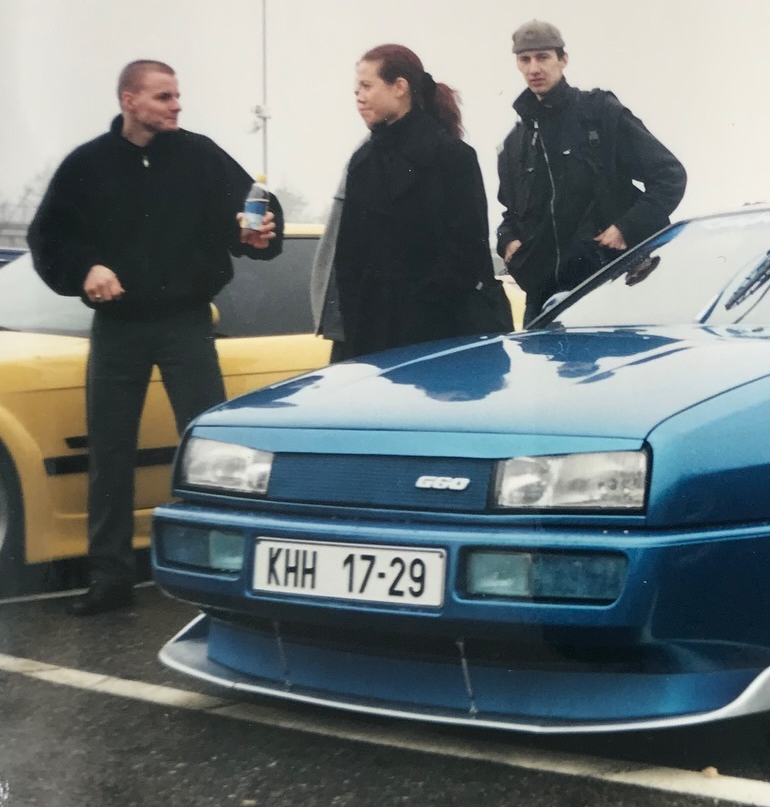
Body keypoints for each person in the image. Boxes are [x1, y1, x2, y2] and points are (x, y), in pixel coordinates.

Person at [27, 59, 282, 615]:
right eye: (164, 96)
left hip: (186, 322)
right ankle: (109, 578)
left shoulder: (201, 157)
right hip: (117, 326)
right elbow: (48, 237)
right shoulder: (88, 164)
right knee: (110, 451)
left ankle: (219, 569)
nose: (176, 105)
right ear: (129, 100)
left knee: (211, 450)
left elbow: (257, 210)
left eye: (177, 95)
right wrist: (85, 269)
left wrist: (261, 231)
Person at [328, 43, 511, 361]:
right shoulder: (362, 163)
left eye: (367, 86)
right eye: (356, 90)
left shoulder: (452, 157)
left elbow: (467, 256)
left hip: (441, 340)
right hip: (374, 343)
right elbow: (348, 263)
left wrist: (418, 309)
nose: (359, 97)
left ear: (400, 87)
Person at [497, 20, 687, 323]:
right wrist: (507, 241)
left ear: (563, 59)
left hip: (611, 286)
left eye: (543, 57)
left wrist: (626, 227)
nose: (534, 68)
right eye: (525, 59)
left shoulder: (599, 114)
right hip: (545, 299)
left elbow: (670, 176)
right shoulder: (515, 142)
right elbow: (512, 212)